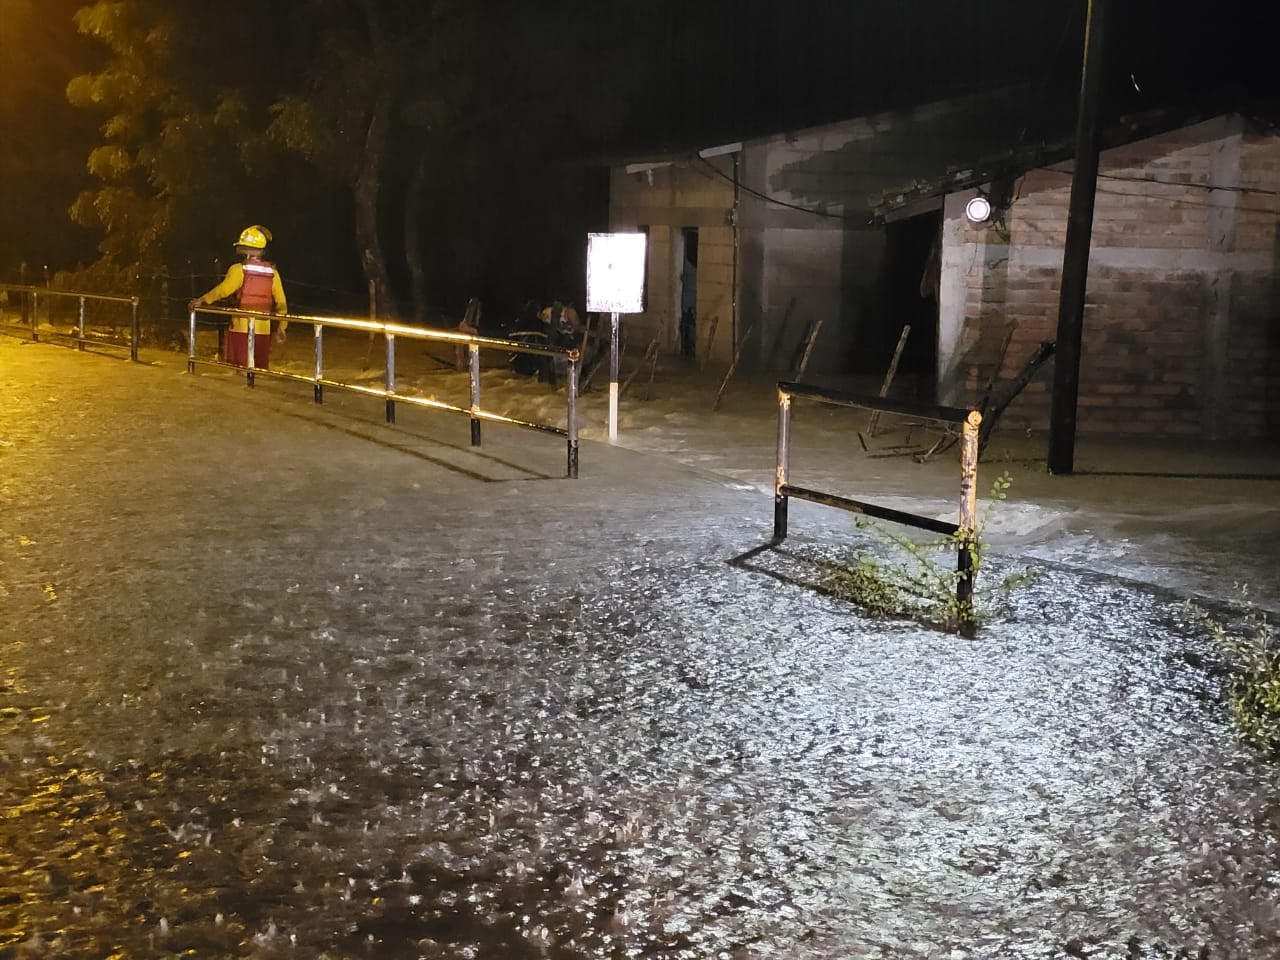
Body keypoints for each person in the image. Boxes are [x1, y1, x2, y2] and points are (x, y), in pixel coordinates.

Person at [190, 225, 288, 369]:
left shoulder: (238, 270)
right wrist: (282, 326)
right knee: (259, 372)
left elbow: (223, 290)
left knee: (238, 371)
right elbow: (281, 301)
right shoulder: (273, 273)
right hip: (263, 330)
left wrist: (203, 299)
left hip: (240, 329)